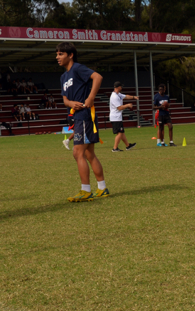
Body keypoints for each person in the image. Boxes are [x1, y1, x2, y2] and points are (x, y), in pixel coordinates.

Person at [56, 41, 109, 201]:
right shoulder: (63, 77)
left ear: (70, 55)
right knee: (89, 153)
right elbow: (65, 99)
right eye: (57, 54)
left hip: (84, 116)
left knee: (77, 152)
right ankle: (102, 188)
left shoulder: (78, 68)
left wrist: (91, 97)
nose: (57, 57)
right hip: (77, 117)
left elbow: (97, 77)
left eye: (61, 54)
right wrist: (71, 103)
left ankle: (85, 190)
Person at [108, 82, 138, 151]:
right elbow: (119, 108)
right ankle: (115, 148)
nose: (122, 88)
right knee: (120, 132)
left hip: (117, 117)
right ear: (118, 87)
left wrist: (134, 97)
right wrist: (127, 105)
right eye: (121, 86)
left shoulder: (118, 94)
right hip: (115, 117)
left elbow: (126, 96)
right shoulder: (114, 96)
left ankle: (128, 146)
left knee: (121, 132)